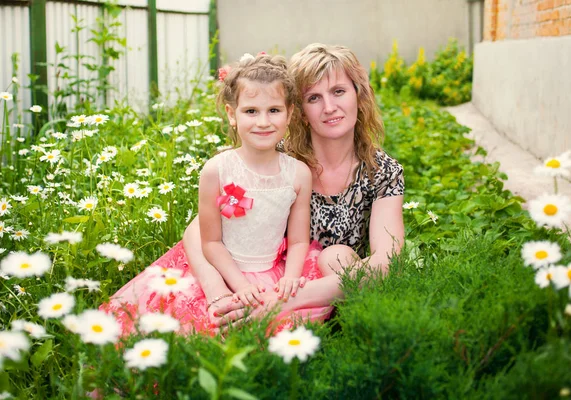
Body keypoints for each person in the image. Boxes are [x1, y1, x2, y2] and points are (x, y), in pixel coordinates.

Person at [102, 53, 331, 334]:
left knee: (273, 328)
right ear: (231, 114)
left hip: (274, 272)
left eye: (274, 110)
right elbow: (210, 241)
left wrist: (291, 279)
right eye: (251, 111)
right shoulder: (217, 171)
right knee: (203, 330)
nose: (263, 122)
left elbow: (298, 241)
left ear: (290, 114)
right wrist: (241, 285)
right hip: (225, 271)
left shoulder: (297, 173)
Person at [183, 43, 405, 327]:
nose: (329, 107)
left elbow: (387, 262)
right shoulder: (277, 158)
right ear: (298, 111)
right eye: (313, 98)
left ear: (359, 96)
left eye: (339, 91)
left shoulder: (382, 171)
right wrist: (217, 290)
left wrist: (282, 300)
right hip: (263, 275)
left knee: (336, 258)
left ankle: (341, 327)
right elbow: (201, 227)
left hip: (322, 284)